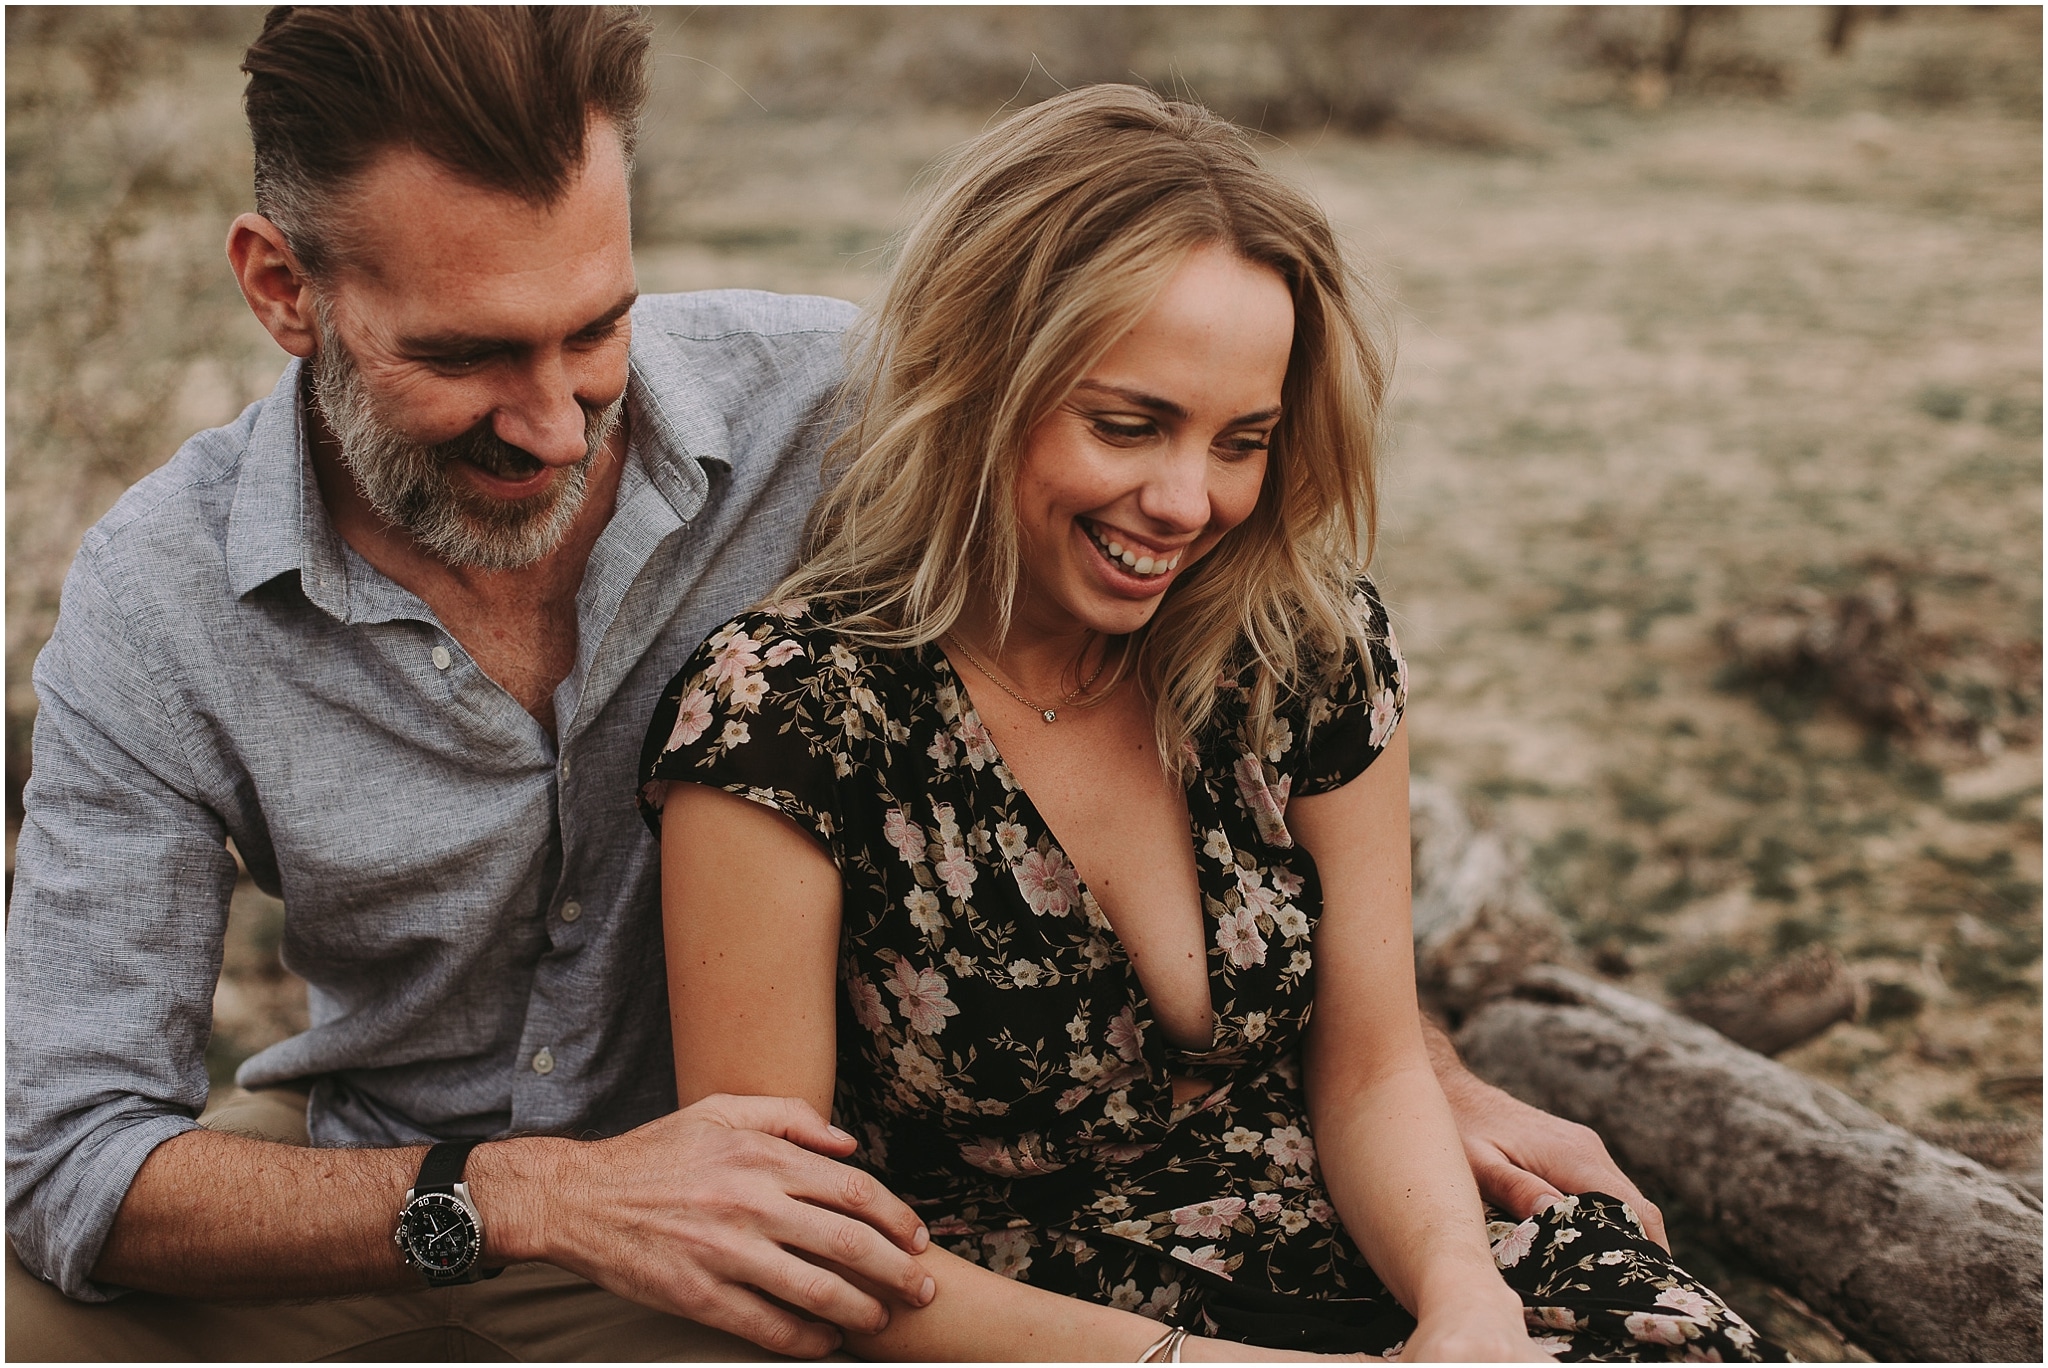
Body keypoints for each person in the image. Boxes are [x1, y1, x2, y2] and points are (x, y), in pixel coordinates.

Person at [7, 8, 1664, 1362]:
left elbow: (1192, 622)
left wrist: (1384, 1053)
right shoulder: (161, 605)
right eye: (463, 355)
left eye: (594, 327)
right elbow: (68, 1156)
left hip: (778, 1214)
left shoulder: (859, 409)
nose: (556, 421)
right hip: (403, 1180)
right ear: (281, 288)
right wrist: (527, 1195)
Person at [641, 86, 1777, 1361]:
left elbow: (1369, 1066)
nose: (1186, 501)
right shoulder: (787, 712)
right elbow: (794, 1244)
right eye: (1126, 426)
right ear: (974, 381)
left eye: (1241, 441)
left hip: (1356, 1233)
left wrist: (1464, 1305)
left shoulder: (1301, 647)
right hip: (1018, 1328)